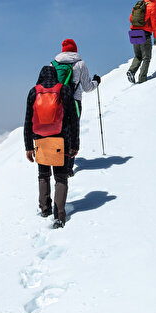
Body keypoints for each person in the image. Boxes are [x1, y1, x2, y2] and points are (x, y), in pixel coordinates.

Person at [24, 64, 78, 228]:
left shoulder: (34, 92)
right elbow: (73, 119)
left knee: (43, 175)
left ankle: (45, 208)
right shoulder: (64, 90)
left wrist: (28, 146)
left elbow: (28, 121)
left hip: (40, 140)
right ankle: (59, 215)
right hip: (61, 140)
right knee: (61, 177)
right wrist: (75, 143)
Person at [51, 38, 100, 175]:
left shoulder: (53, 64)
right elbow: (87, 87)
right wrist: (96, 82)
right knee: (72, 132)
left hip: (56, 103)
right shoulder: (80, 64)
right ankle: (68, 168)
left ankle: (57, 163)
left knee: (58, 131)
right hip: (74, 103)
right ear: (75, 50)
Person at [127, 0, 156, 84]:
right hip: (144, 34)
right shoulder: (153, 5)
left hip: (133, 33)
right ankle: (142, 78)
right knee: (146, 57)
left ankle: (131, 71)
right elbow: (154, 22)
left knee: (138, 56)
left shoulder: (138, 5)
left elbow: (130, 19)